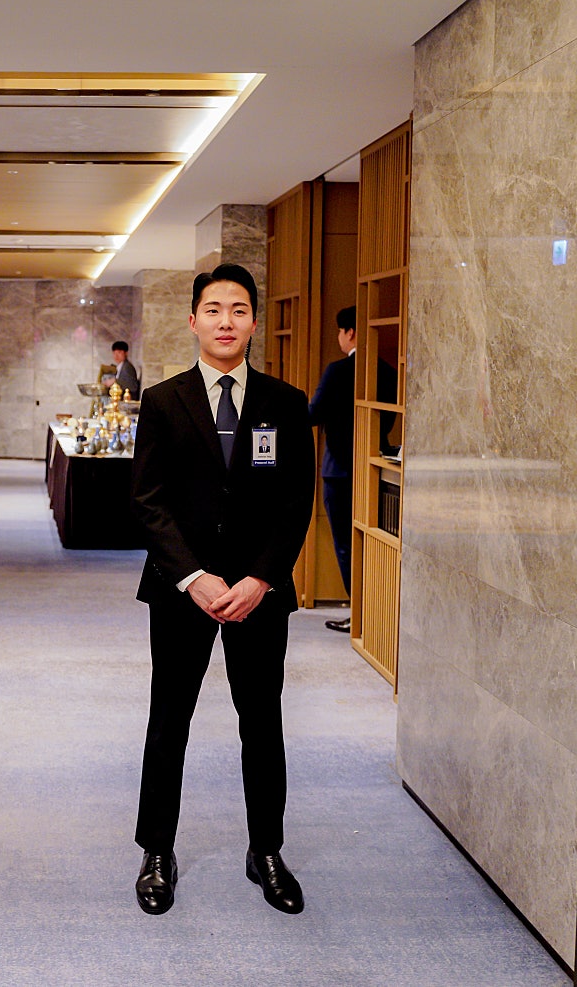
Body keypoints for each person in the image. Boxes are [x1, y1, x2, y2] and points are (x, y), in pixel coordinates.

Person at [128, 263, 315, 917]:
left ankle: (267, 850)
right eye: (213, 309)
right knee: (168, 720)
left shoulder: (286, 403)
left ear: (254, 322)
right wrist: (194, 575)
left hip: (258, 592)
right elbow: (147, 501)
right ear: (193, 321)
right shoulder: (163, 400)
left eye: (238, 310)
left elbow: (295, 502)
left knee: (262, 722)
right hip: (182, 588)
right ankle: (157, 850)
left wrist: (260, 577)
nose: (226, 321)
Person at [307, 305, 397, 634]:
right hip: (374, 467)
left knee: (346, 544)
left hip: (339, 471)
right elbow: (389, 419)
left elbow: (313, 414)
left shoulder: (338, 370)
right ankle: (376, 612)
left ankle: (358, 613)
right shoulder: (388, 372)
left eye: (340, 332)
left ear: (350, 333)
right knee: (374, 542)